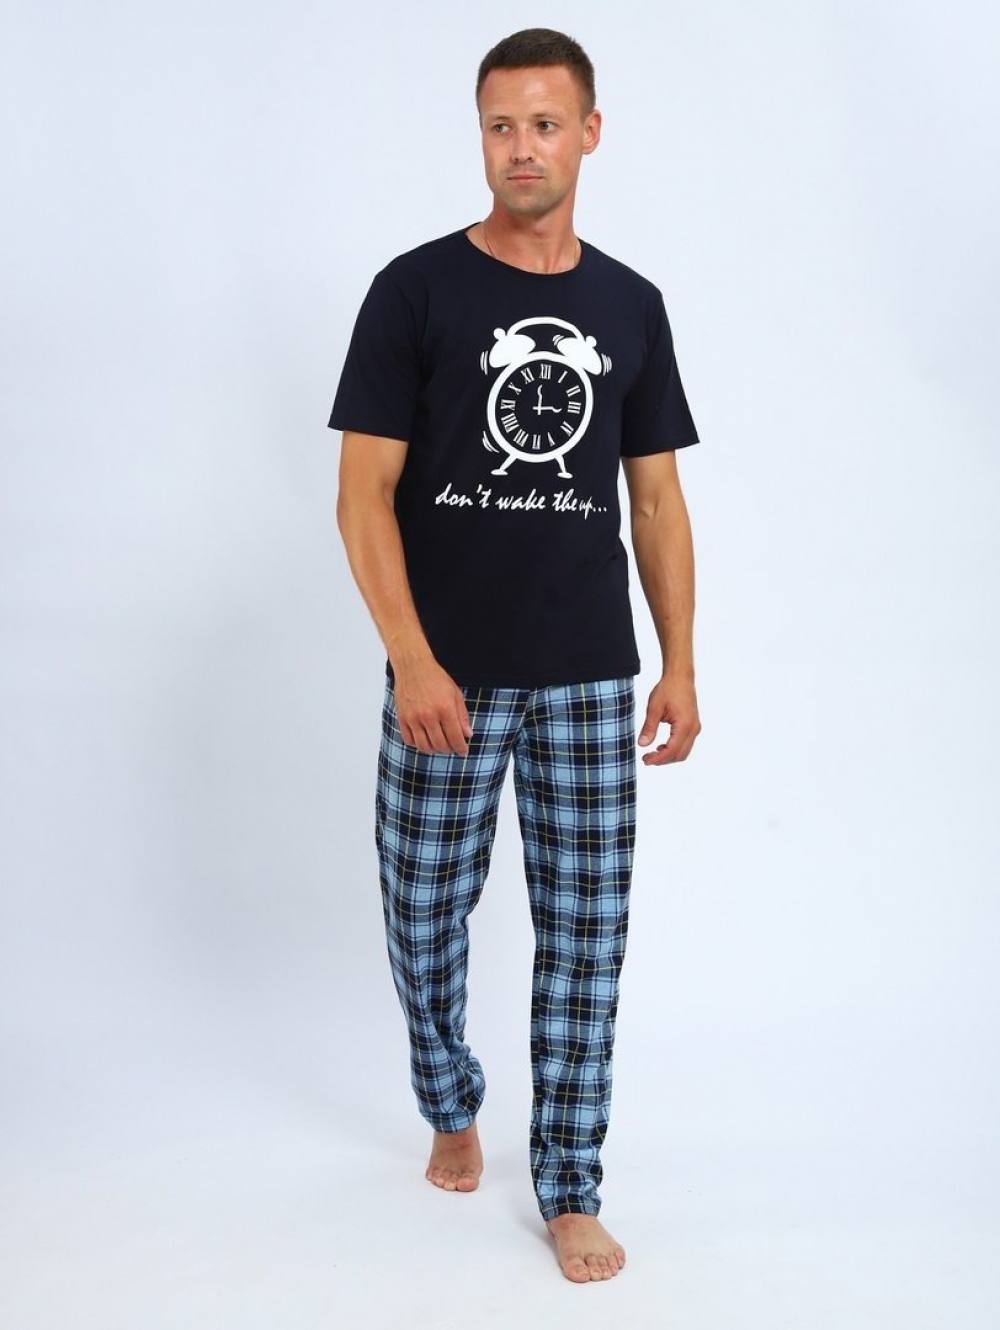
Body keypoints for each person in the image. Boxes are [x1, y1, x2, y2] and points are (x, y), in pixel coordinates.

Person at [327, 27, 702, 1284]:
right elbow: (362, 497)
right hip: (447, 670)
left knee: (586, 934)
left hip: (589, 672)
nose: (521, 148)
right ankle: (449, 1095)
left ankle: (571, 1182)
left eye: (544, 124)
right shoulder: (416, 292)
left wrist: (679, 663)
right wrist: (412, 658)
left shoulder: (630, 305)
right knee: (421, 908)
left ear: (588, 133)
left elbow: (656, 501)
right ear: (480, 136)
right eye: (500, 126)